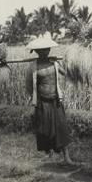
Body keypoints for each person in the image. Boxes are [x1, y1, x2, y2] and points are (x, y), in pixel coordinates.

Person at [25, 33, 74, 165]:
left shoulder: (55, 63)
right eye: (41, 51)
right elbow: (29, 85)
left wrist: (70, 60)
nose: (44, 53)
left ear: (49, 50)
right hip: (42, 102)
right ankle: (50, 154)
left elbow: (67, 74)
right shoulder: (33, 66)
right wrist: (35, 97)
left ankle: (67, 158)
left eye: (46, 50)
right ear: (36, 52)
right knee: (44, 129)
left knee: (61, 128)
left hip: (56, 100)